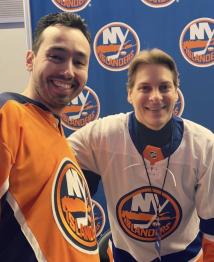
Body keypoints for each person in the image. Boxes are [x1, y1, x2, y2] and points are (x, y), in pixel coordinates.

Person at [68, 48, 214, 261]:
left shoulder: (204, 145)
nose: (155, 97)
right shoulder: (101, 136)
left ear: (176, 92)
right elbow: (52, 161)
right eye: (145, 87)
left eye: (164, 87)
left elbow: (212, 229)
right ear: (130, 93)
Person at [0, 12, 100, 261]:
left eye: (79, 62)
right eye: (56, 57)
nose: (67, 71)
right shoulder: (8, 114)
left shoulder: (55, 132)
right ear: (30, 59)